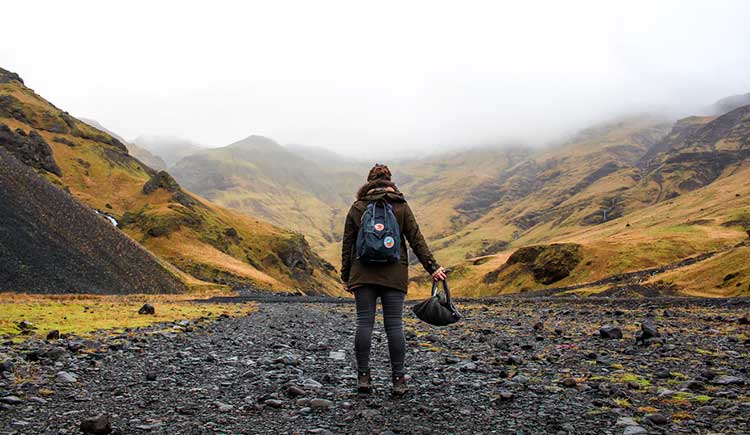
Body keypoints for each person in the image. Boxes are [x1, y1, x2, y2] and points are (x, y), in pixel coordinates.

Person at [340, 163, 447, 396]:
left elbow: (348, 244)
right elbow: (416, 239)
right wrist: (433, 268)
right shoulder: (401, 206)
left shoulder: (358, 207)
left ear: (368, 182)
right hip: (394, 273)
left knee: (364, 323)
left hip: (362, 274)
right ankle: (398, 380)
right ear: (390, 181)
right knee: (394, 325)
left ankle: (364, 379)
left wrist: (346, 276)